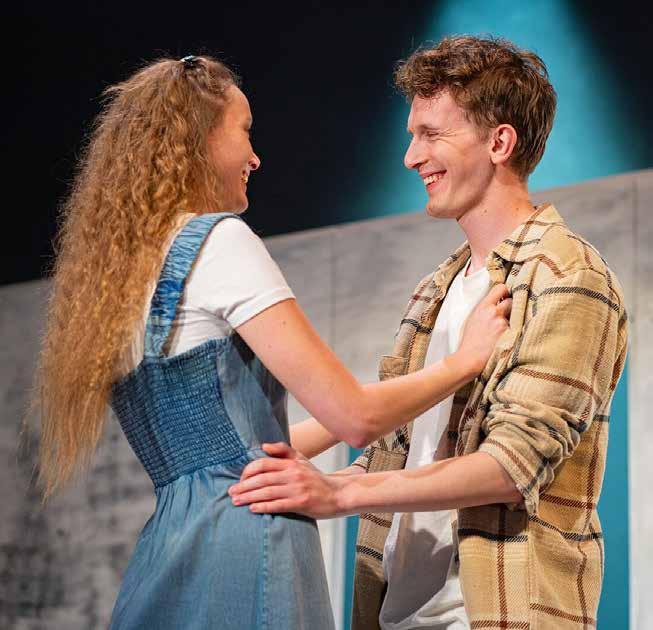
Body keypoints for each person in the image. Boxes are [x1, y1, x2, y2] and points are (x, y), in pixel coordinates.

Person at [34, 54, 512, 629]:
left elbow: (240, 449)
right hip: (248, 542)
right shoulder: (220, 241)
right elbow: (356, 418)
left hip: (165, 551)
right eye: (244, 131)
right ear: (198, 140)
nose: (255, 157)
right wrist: (464, 361)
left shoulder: (119, 282)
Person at [230, 36, 629, 630]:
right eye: (412, 135)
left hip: (495, 614)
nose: (411, 157)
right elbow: (398, 453)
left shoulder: (568, 276)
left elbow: (511, 468)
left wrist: (338, 495)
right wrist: (312, 482)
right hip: (397, 613)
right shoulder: (435, 289)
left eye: (431, 134)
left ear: (499, 143)